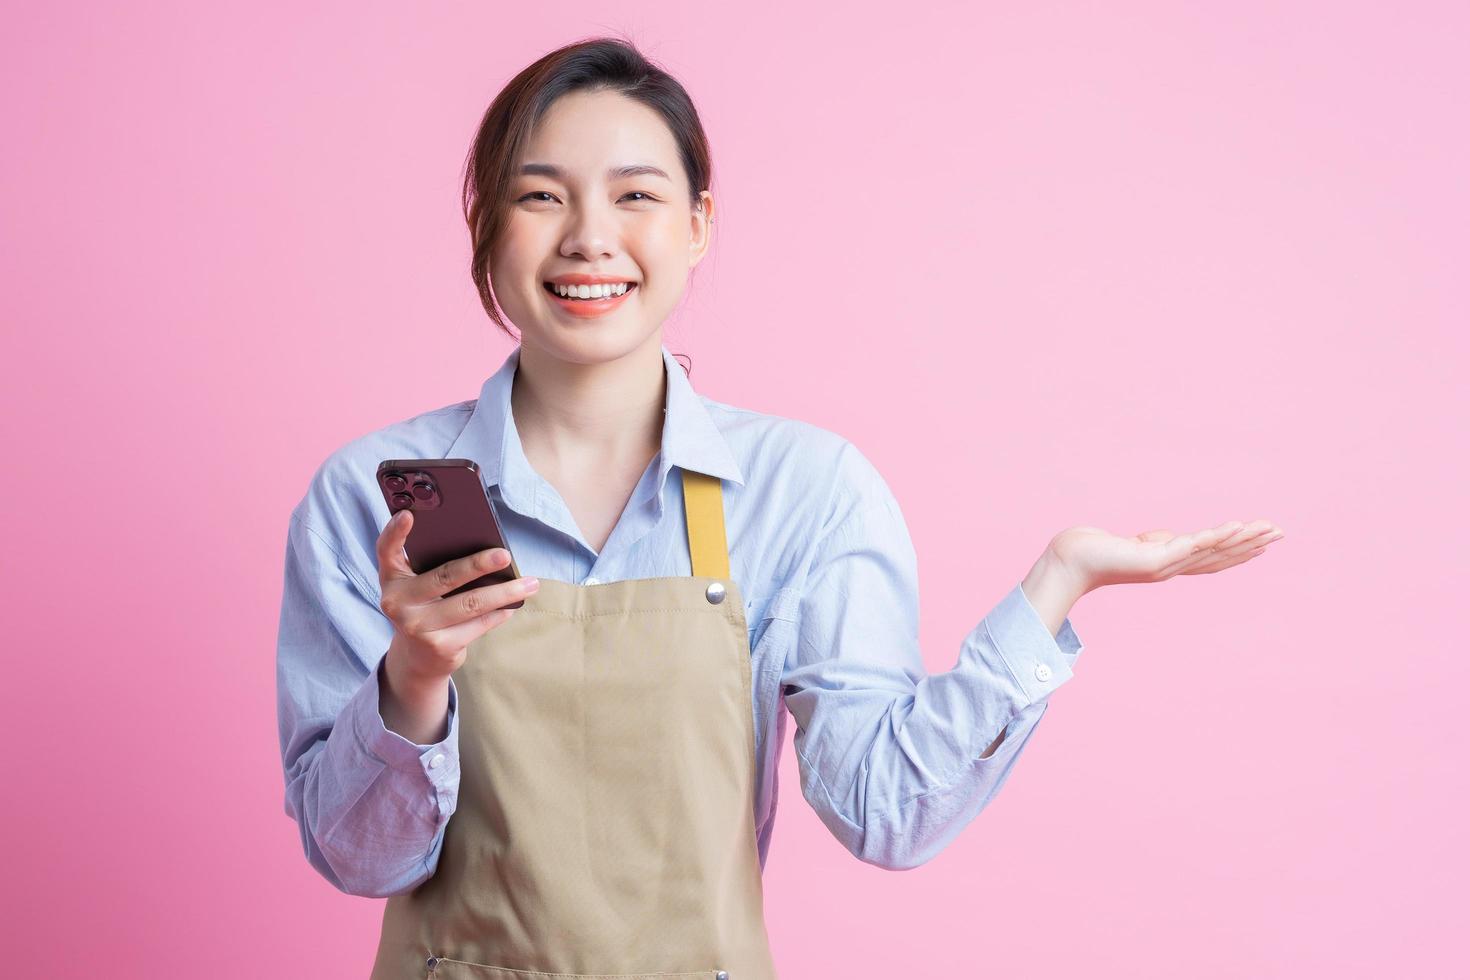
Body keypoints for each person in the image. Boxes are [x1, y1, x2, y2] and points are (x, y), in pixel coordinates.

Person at [275, 36, 1283, 979]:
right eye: (540, 195)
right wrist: (413, 679)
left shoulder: (804, 491)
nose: (590, 236)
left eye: (636, 194)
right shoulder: (372, 498)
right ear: (485, 224)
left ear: (698, 225)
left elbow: (885, 810)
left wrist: (1055, 584)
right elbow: (358, 857)